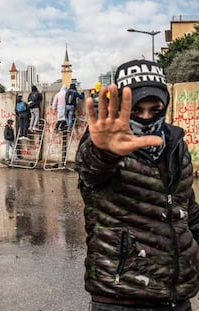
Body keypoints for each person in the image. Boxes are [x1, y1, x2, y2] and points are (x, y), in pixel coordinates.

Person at [75, 59, 199, 311]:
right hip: (121, 298)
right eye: (136, 110)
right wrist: (104, 152)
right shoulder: (104, 145)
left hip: (176, 298)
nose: (145, 117)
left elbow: (187, 211)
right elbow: (89, 173)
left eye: (155, 109)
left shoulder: (176, 145)